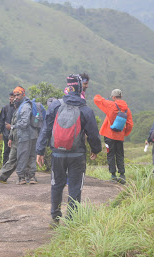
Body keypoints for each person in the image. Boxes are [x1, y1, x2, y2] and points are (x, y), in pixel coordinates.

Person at [36, 74, 102, 227]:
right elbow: (93, 133)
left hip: (57, 153)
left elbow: (46, 129)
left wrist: (40, 150)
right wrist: (95, 149)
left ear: (67, 87)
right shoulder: (85, 109)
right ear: (79, 88)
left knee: (56, 184)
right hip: (77, 155)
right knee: (75, 186)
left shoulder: (55, 105)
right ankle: (72, 221)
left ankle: (55, 218)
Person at [94, 89, 133, 184]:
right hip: (120, 136)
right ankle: (122, 175)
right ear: (121, 96)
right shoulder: (127, 109)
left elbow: (96, 99)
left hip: (109, 135)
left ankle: (113, 175)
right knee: (120, 154)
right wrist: (124, 133)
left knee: (110, 154)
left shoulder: (110, 105)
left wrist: (105, 99)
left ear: (114, 97)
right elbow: (130, 124)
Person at [0, 91, 16, 165]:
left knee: (15, 151)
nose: (11, 98)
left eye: (12, 97)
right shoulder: (5, 108)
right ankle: (4, 166)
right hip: (6, 134)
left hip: (16, 134)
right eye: (10, 97)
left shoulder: (19, 108)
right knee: (6, 151)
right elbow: (0, 120)